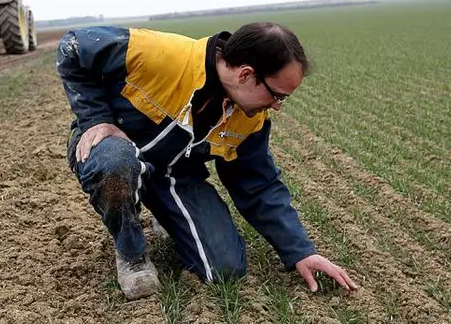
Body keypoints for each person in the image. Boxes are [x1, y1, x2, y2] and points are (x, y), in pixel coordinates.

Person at [55, 22, 358, 300]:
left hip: (171, 174)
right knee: (114, 163)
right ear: (246, 75)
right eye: (277, 96)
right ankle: (130, 251)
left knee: (225, 270)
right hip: (113, 146)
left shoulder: (250, 119)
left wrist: (300, 251)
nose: (276, 107)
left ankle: (163, 209)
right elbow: (74, 46)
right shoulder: (163, 56)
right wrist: (96, 118)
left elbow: (258, 184)